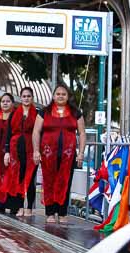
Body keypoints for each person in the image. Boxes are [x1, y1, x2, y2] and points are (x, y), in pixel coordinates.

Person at [32, 85, 86, 223]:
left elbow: (82, 133)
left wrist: (81, 153)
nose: (60, 96)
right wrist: (36, 150)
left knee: (65, 182)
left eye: (63, 94)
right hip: (48, 153)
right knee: (49, 181)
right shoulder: (44, 112)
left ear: (68, 96)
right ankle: (50, 212)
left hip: (68, 155)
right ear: (53, 95)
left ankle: (62, 213)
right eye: (58, 94)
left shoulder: (76, 112)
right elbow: (36, 132)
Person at [2, 87, 38, 217]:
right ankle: (19, 206)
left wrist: (39, 151)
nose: (26, 98)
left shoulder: (37, 113)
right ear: (20, 98)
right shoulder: (14, 113)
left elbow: (40, 132)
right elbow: (8, 133)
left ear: (32, 98)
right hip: (15, 149)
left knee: (30, 179)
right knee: (17, 178)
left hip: (31, 149)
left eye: (29, 96)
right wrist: (7, 152)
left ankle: (29, 207)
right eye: (24, 96)